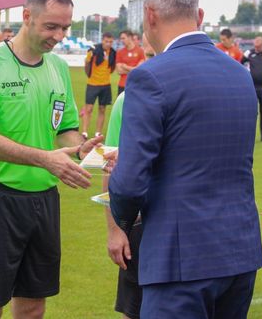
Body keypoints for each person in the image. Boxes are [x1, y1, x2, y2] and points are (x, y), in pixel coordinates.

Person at [108, 0, 262, 319]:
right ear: (200, 16)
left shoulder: (150, 75)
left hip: (180, 257)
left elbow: (130, 182)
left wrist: (122, 216)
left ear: (150, 15)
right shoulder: (239, 74)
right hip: (238, 250)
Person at [0, 0, 103, 319]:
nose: (58, 36)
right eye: (51, 26)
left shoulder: (57, 68)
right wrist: (46, 159)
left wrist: (81, 148)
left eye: (65, 28)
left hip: (44, 200)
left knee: (33, 306)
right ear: (27, 16)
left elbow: (65, 129)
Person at [104, 33, 154, 319]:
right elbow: (109, 166)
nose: (150, 63)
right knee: (134, 309)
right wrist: (114, 229)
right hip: (139, 225)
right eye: (149, 56)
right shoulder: (127, 100)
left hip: (184, 225)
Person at [81, 32, 116, 138]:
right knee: (89, 108)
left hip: (106, 85)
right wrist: (89, 74)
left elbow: (112, 67)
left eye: (110, 42)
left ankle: (98, 132)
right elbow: (87, 63)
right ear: (102, 40)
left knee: (102, 109)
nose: (108, 44)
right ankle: (84, 132)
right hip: (92, 84)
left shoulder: (113, 52)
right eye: (106, 41)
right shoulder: (94, 50)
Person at [115, 30, 145, 95]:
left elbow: (139, 70)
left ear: (130, 37)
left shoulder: (140, 51)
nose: (122, 41)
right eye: (121, 39)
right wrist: (134, 69)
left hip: (136, 84)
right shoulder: (119, 52)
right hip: (122, 85)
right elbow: (119, 71)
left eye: (123, 38)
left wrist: (125, 67)